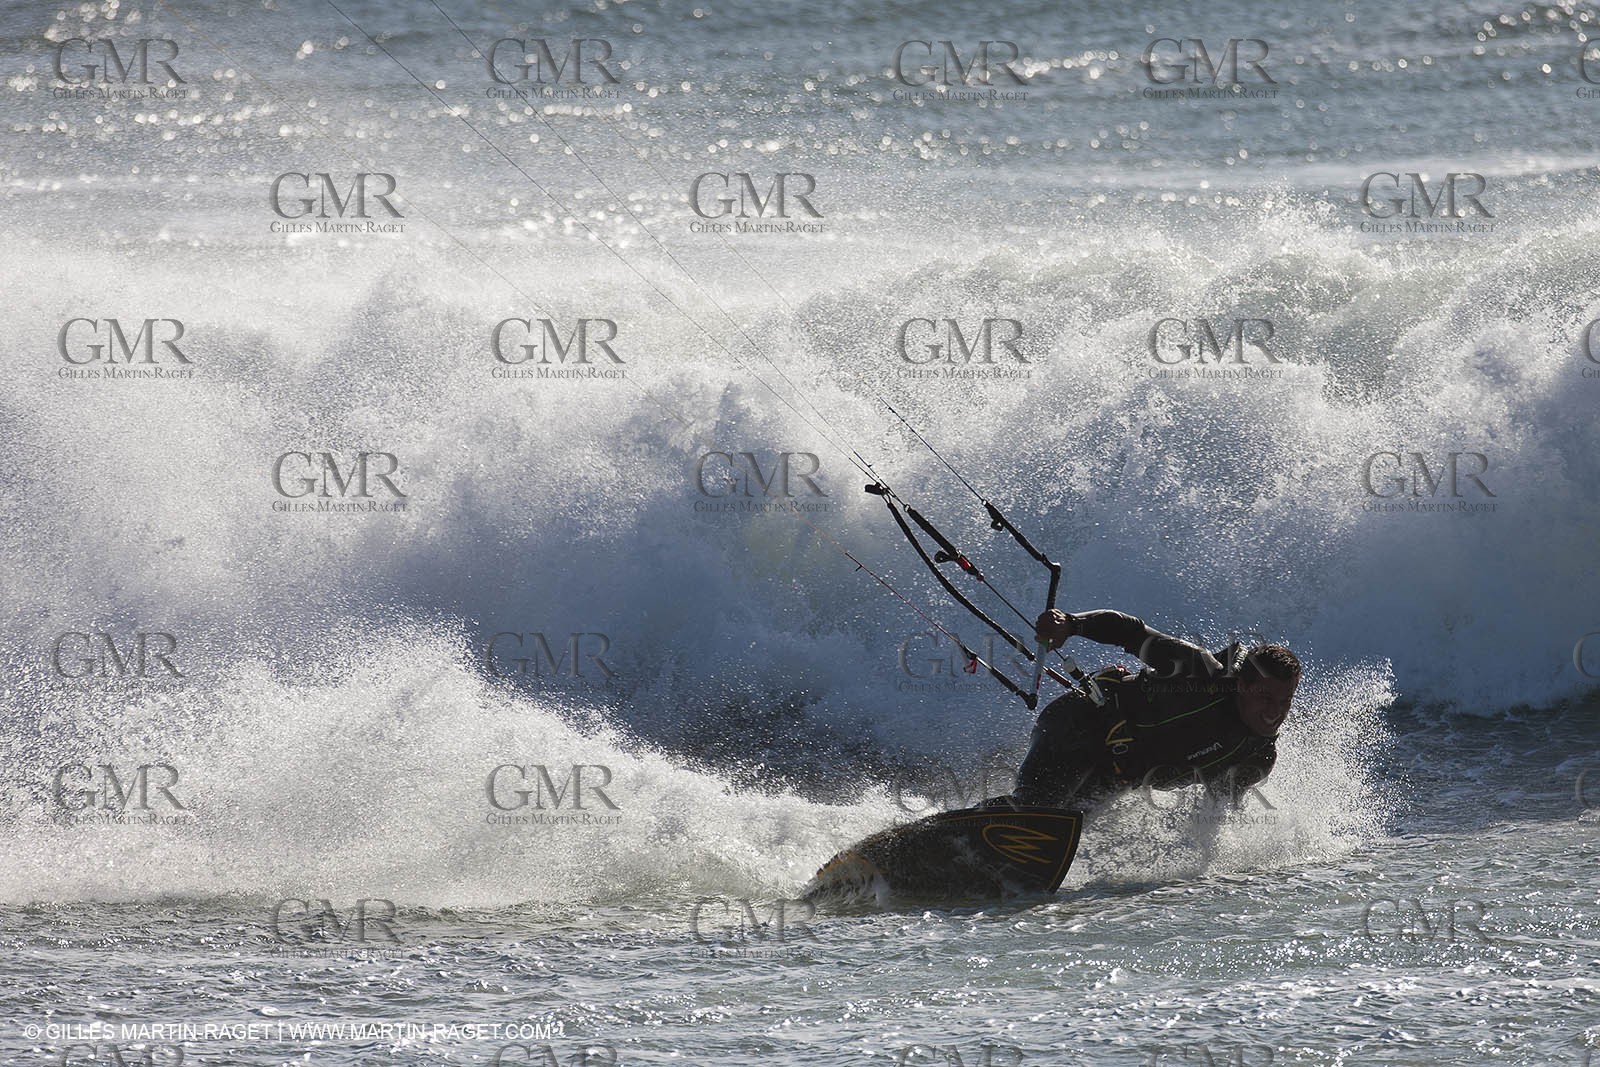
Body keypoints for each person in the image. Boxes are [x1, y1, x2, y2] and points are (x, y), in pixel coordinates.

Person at [998, 609, 1301, 811]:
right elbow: (1132, 632)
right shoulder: (1199, 672)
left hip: (1113, 776)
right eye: (1266, 698)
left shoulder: (1257, 757)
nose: (1275, 712)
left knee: (1058, 833)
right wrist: (1072, 624)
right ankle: (962, 837)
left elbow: (1217, 814)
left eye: (1285, 700)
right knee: (1032, 812)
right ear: (1242, 686)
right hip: (1078, 724)